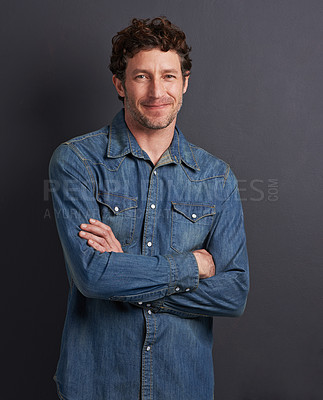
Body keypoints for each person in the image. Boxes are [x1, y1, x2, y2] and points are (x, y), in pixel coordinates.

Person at [49, 17, 249, 400]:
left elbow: (233, 294)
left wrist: (123, 273)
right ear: (120, 84)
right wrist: (192, 266)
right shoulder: (76, 161)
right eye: (142, 76)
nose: (157, 91)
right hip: (96, 386)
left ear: (185, 82)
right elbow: (92, 277)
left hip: (184, 386)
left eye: (169, 76)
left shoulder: (217, 177)